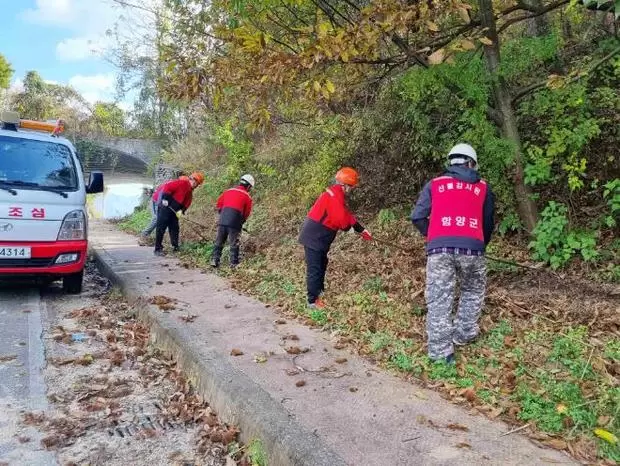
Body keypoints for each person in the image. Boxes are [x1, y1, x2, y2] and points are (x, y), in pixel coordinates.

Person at [411, 143, 495, 364]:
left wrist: (433, 235)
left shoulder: (435, 185)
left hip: (439, 250)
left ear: (451, 162)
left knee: (439, 298)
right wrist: (481, 244)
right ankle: (464, 334)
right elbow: (487, 223)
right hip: (473, 249)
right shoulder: (484, 188)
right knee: (472, 290)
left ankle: (440, 353)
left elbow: (417, 216)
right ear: (471, 163)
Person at [298, 167, 373, 309]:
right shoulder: (334, 195)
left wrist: (361, 229)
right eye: (351, 187)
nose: (351, 190)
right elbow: (341, 220)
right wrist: (347, 228)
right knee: (315, 267)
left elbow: (346, 215)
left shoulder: (336, 194)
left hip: (319, 237)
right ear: (345, 185)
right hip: (314, 236)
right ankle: (312, 301)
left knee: (322, 262)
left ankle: (319, 291)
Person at [154, 172, 205, 256]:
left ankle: (175, 247)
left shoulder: (190, 191)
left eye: (198, 184)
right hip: (166, 207)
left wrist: (182, 211)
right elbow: (168, 187)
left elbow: (187, 203)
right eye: (196, 183)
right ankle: (158, 248)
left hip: (175, 211)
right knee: (161, 227)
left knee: (174, 228)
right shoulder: (182, 183)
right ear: (192, 180)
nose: (196, 185)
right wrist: (165, 199)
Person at [210, 174, 255, 268]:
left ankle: (214, 260)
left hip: (223, 219)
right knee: (234, 243)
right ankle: (233, 263)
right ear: (249, 186)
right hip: (235, 221)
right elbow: (246, 213)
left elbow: (219, 204)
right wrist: (242, 221)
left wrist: (222, 214)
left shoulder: (228, 191)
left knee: (219, 240)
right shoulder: (247, 196)